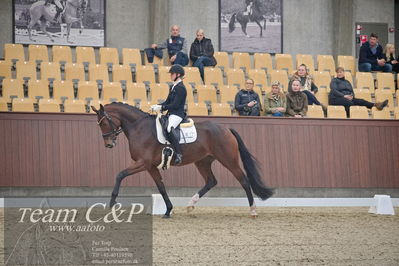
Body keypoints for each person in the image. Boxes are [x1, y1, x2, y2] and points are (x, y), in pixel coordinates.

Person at [151, 65, 187, 165]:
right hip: (171, 113)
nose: (170, 76)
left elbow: (175, 105)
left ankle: (179, 153)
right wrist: (157, 105)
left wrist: (162, 108)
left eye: (172, 74)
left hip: (177, 114)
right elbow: (167, 102)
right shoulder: (173, 87)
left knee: (169, 128)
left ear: (178, 75)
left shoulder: (181, 88)